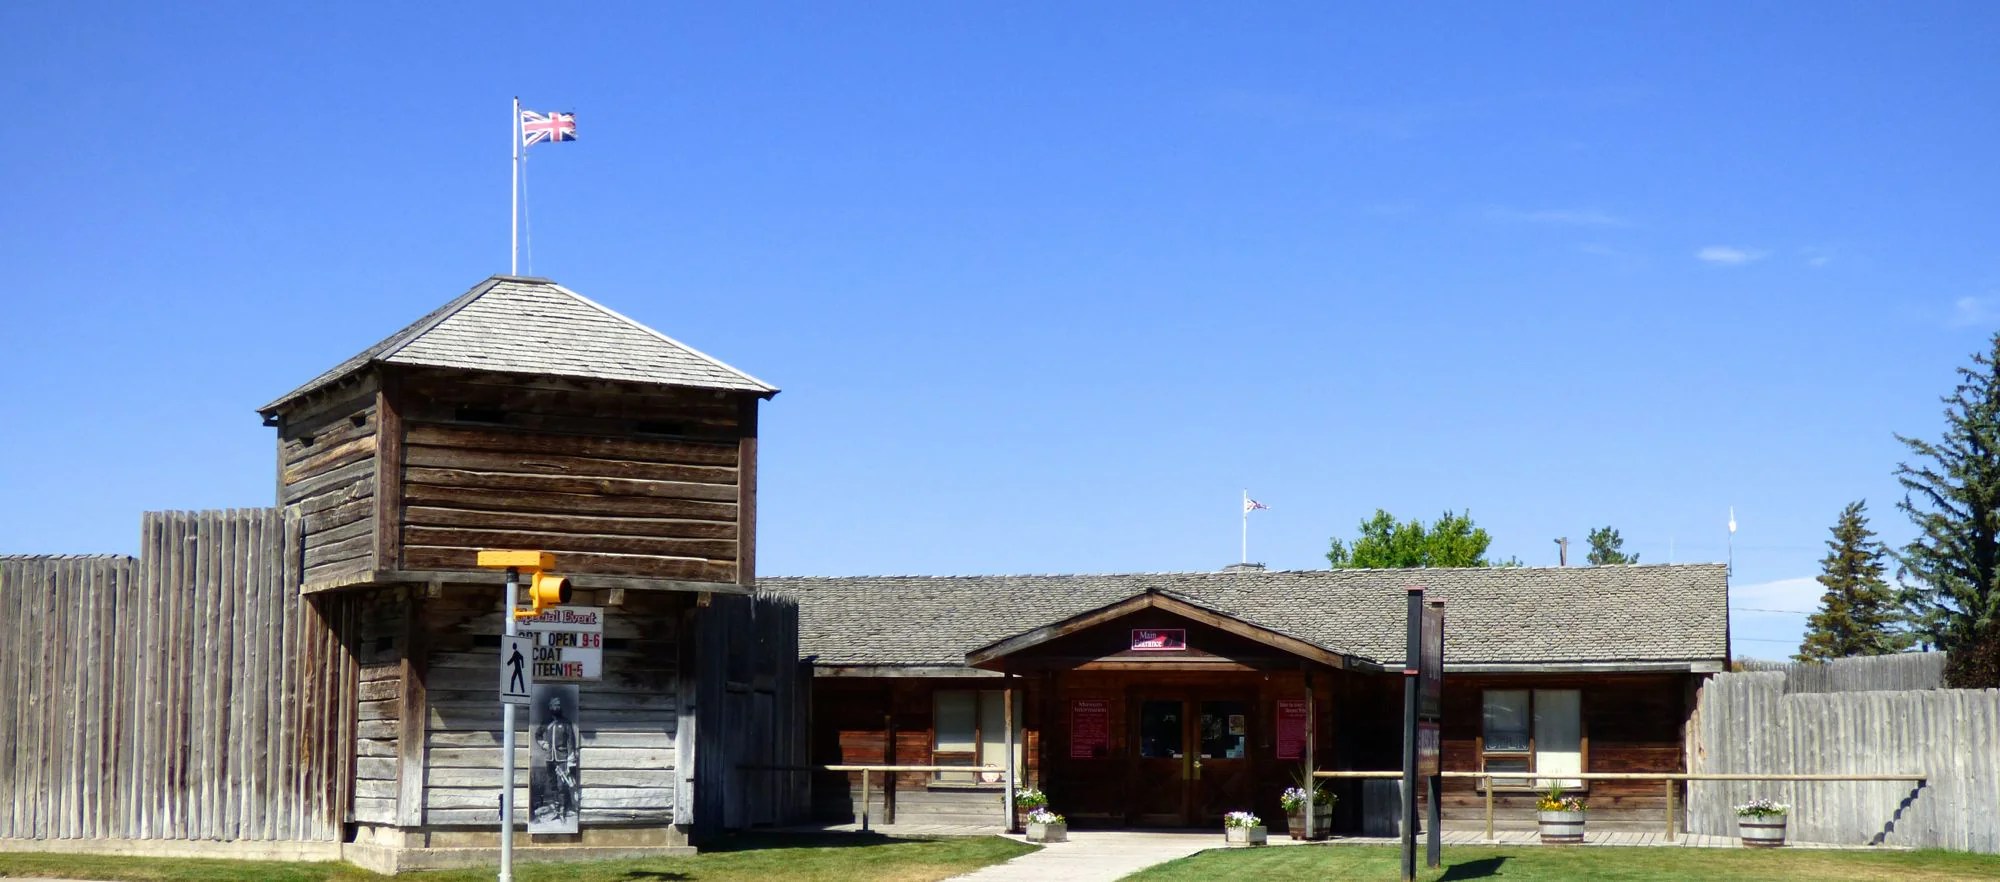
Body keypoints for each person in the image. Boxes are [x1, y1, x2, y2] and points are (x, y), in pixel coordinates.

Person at [535, 692, 580, 820]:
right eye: (554, 705)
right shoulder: (546, 722)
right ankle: (556, 809)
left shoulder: (566, 722)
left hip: (562, 757)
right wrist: (542, 743)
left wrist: (571, 756)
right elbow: (537, 735)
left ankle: (563, 810)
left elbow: (571, 741)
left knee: (562, 785)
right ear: (550, 707)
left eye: (558, 705)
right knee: (553, 784)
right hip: (550, 757)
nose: (557, 708)